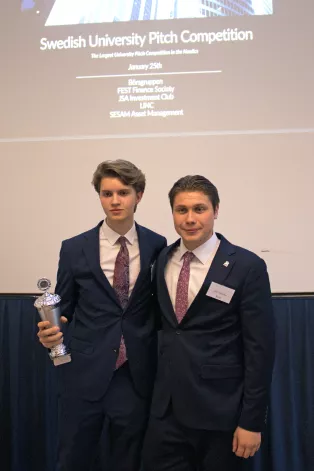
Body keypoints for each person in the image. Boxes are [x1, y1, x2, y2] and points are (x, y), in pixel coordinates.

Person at [37, 159, 166, 471]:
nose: (115, 201)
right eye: (107, 193)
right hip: (84, 373)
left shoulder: (157, 245)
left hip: (135, 374)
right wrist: (48, 332)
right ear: (99, 196)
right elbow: (61, 306)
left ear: (139, 195)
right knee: (73, 458)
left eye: (123, 192)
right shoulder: (73, 248)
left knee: (130, 460)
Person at [143, 175, 275, 471]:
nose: (190, 219)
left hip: (221, 415)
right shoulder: (162, 258)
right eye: (181, 210)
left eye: (199, 209)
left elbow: (260, 351)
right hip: (166, 413)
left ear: (216, 210)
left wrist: (251, 421)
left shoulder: (247, 266)